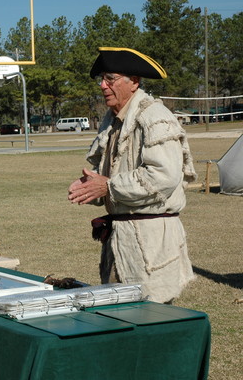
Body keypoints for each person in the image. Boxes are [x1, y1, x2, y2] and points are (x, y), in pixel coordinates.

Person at [67, 47, 197, 304]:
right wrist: (91, 185)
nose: (103, 85)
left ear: (134, 81)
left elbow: (163, 177)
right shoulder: (114, 120)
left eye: (110, 78)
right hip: (120, 240)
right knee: (119, 319)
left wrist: (108, 187)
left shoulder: (155, 117)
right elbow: (111, 173)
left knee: (153, 317)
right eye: (101, 79)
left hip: (151, 243)